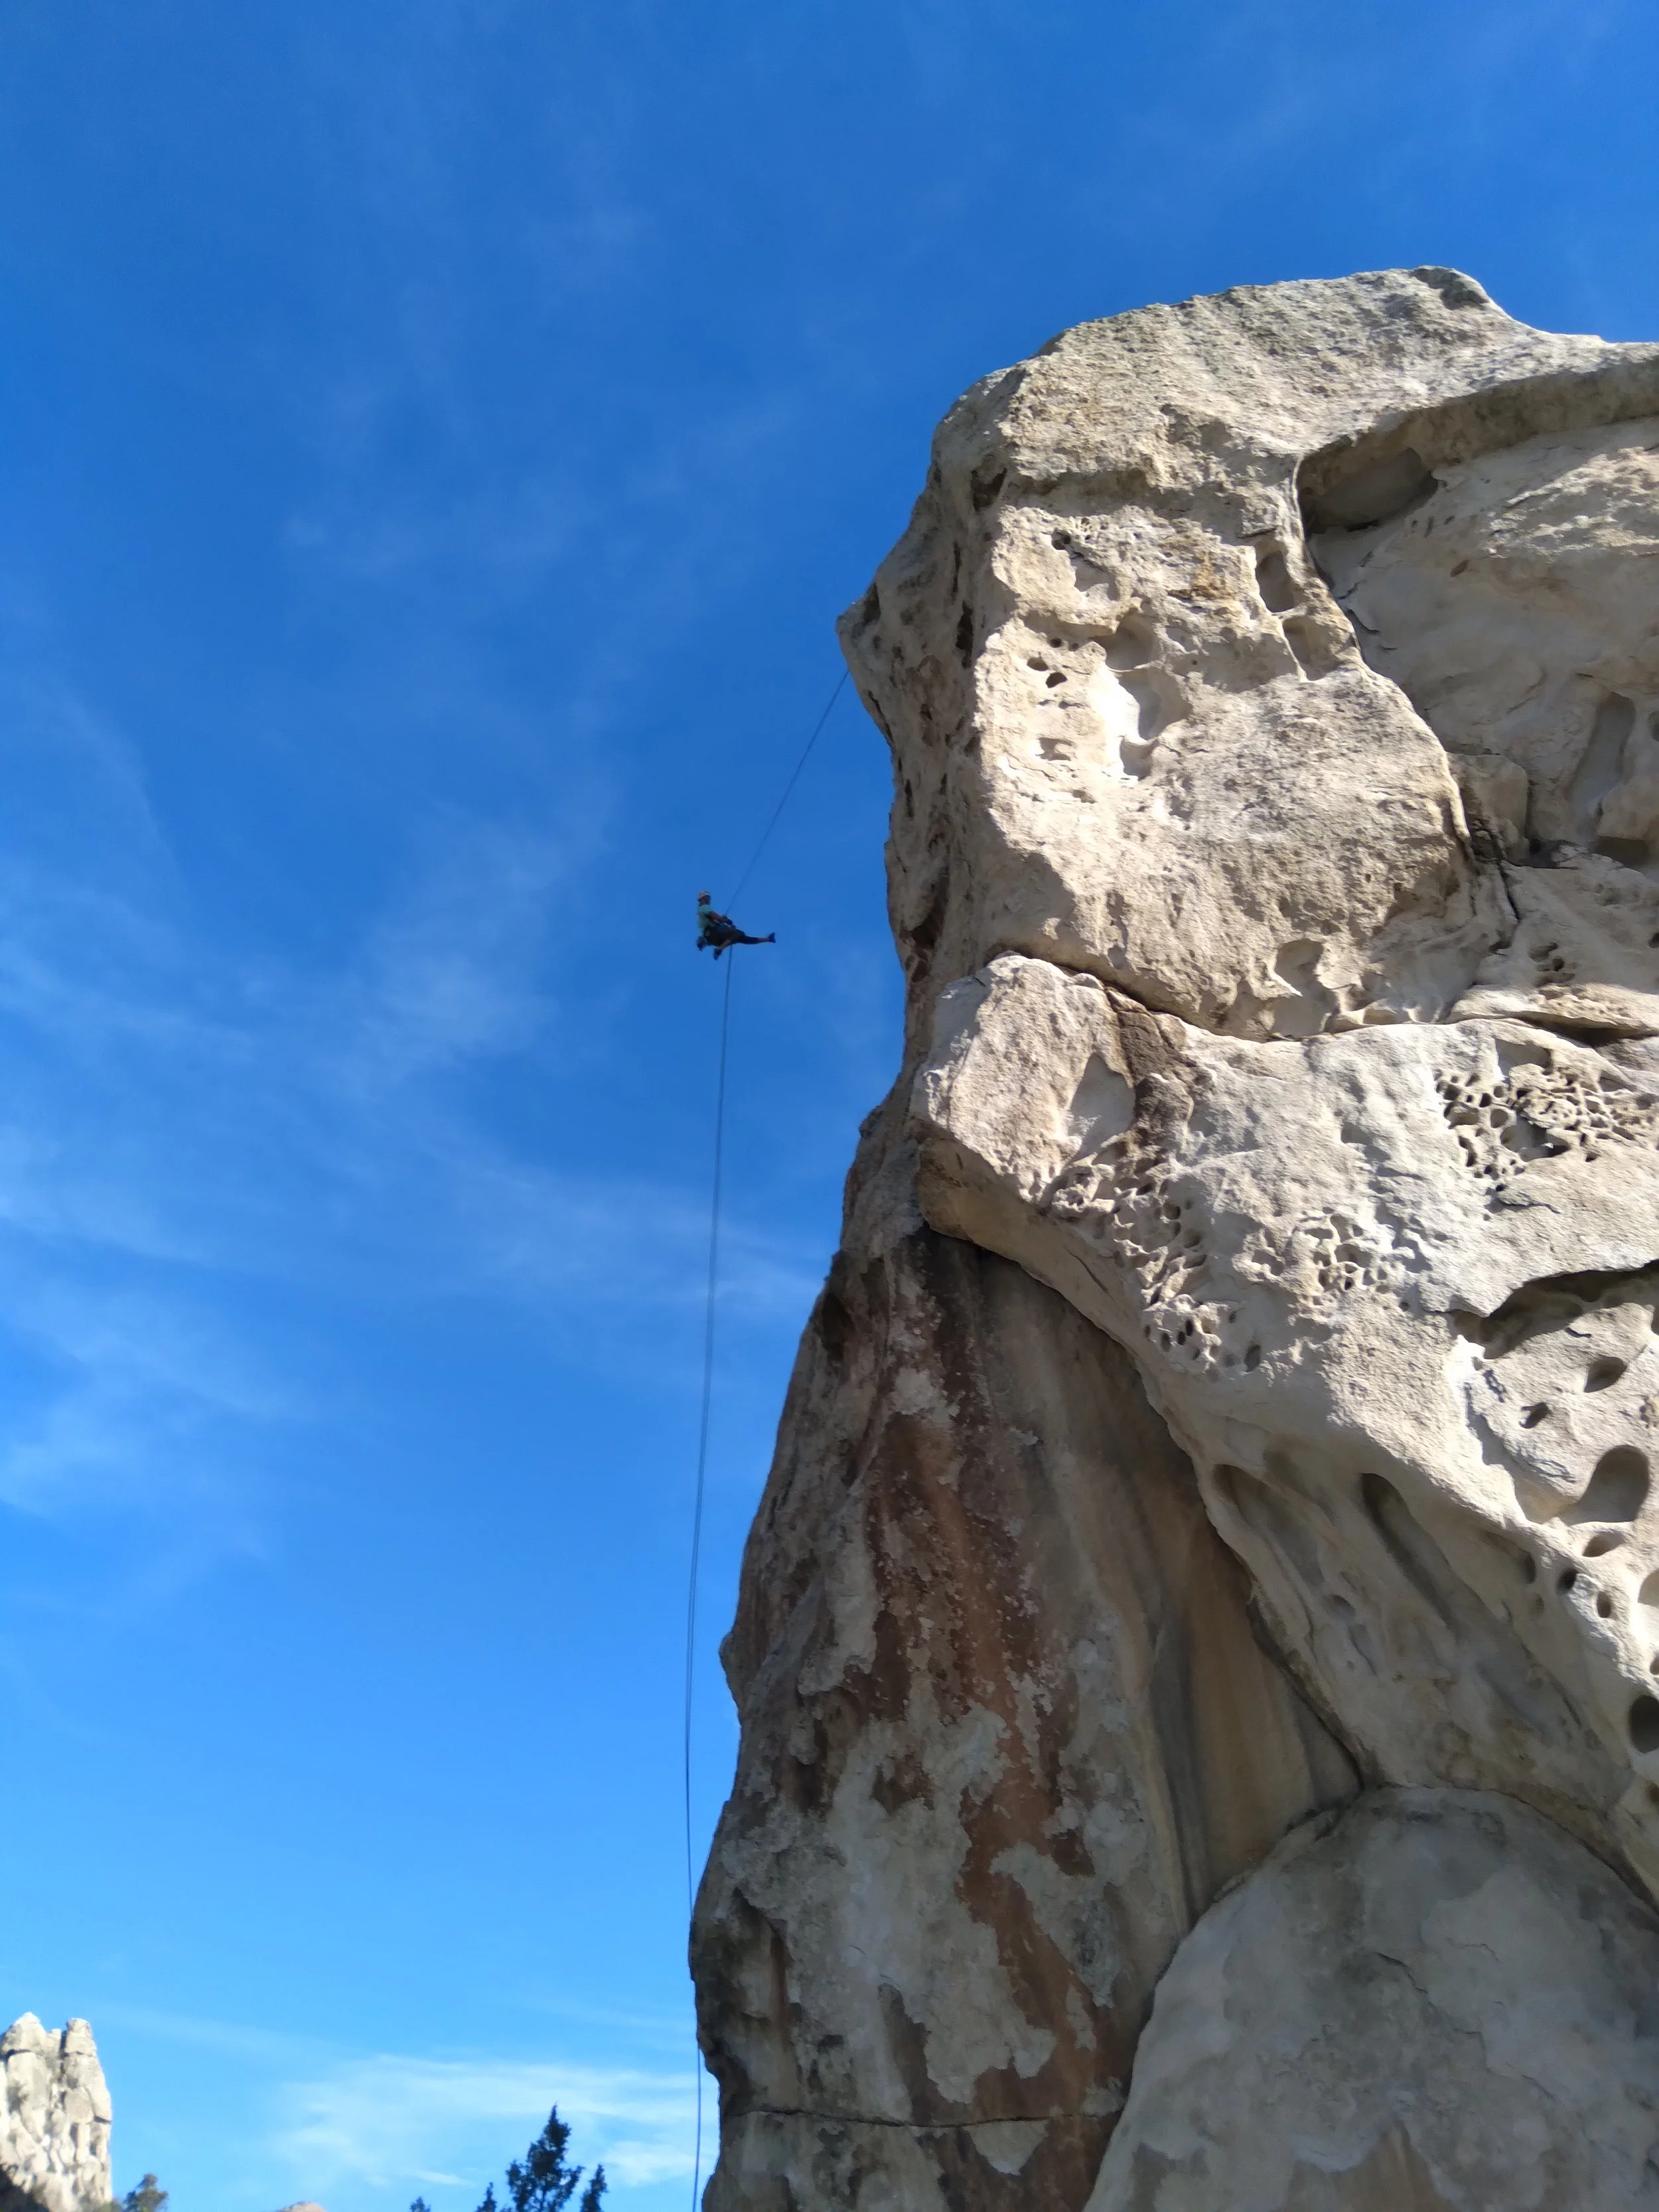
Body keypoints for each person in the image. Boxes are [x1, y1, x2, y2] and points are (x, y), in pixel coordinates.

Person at [696, 890, 775, 957]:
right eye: (706, 898)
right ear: (701, 900)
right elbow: (718, 918)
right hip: (714, 933)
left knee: (742, 937)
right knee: (739, 933)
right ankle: (720, 949)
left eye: (709, 898)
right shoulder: (704, 908)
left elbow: (717, 921)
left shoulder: (701, 915)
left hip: (714, 940)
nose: (708, 900)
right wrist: (726, 921)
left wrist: (726, 922)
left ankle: (768, 939)